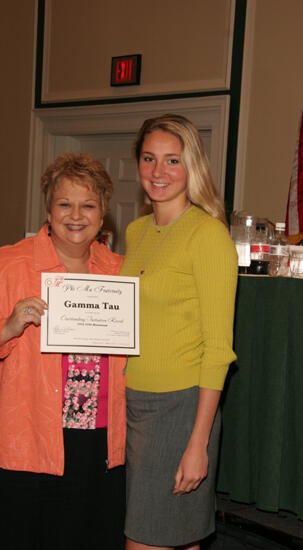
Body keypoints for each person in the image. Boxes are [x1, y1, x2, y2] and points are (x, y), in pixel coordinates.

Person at [0, 153, 127, 550]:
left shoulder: (120, 271)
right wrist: (5, 327)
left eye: (88, 205)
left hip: (95, 445)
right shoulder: (6, 265)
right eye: (64, 204)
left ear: (103, 213)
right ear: (48, 208)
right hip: (19, 441)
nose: (76, 215)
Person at [120, 114, 238, 550]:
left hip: (181, 407)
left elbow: (219, 349)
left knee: (145, 539)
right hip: (133, 401)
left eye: (173, 160)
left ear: (193, 167)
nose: (158, 171)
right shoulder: (136, 231)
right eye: (149, 159)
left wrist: (198, 442)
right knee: (178, 537)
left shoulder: (208, 236)